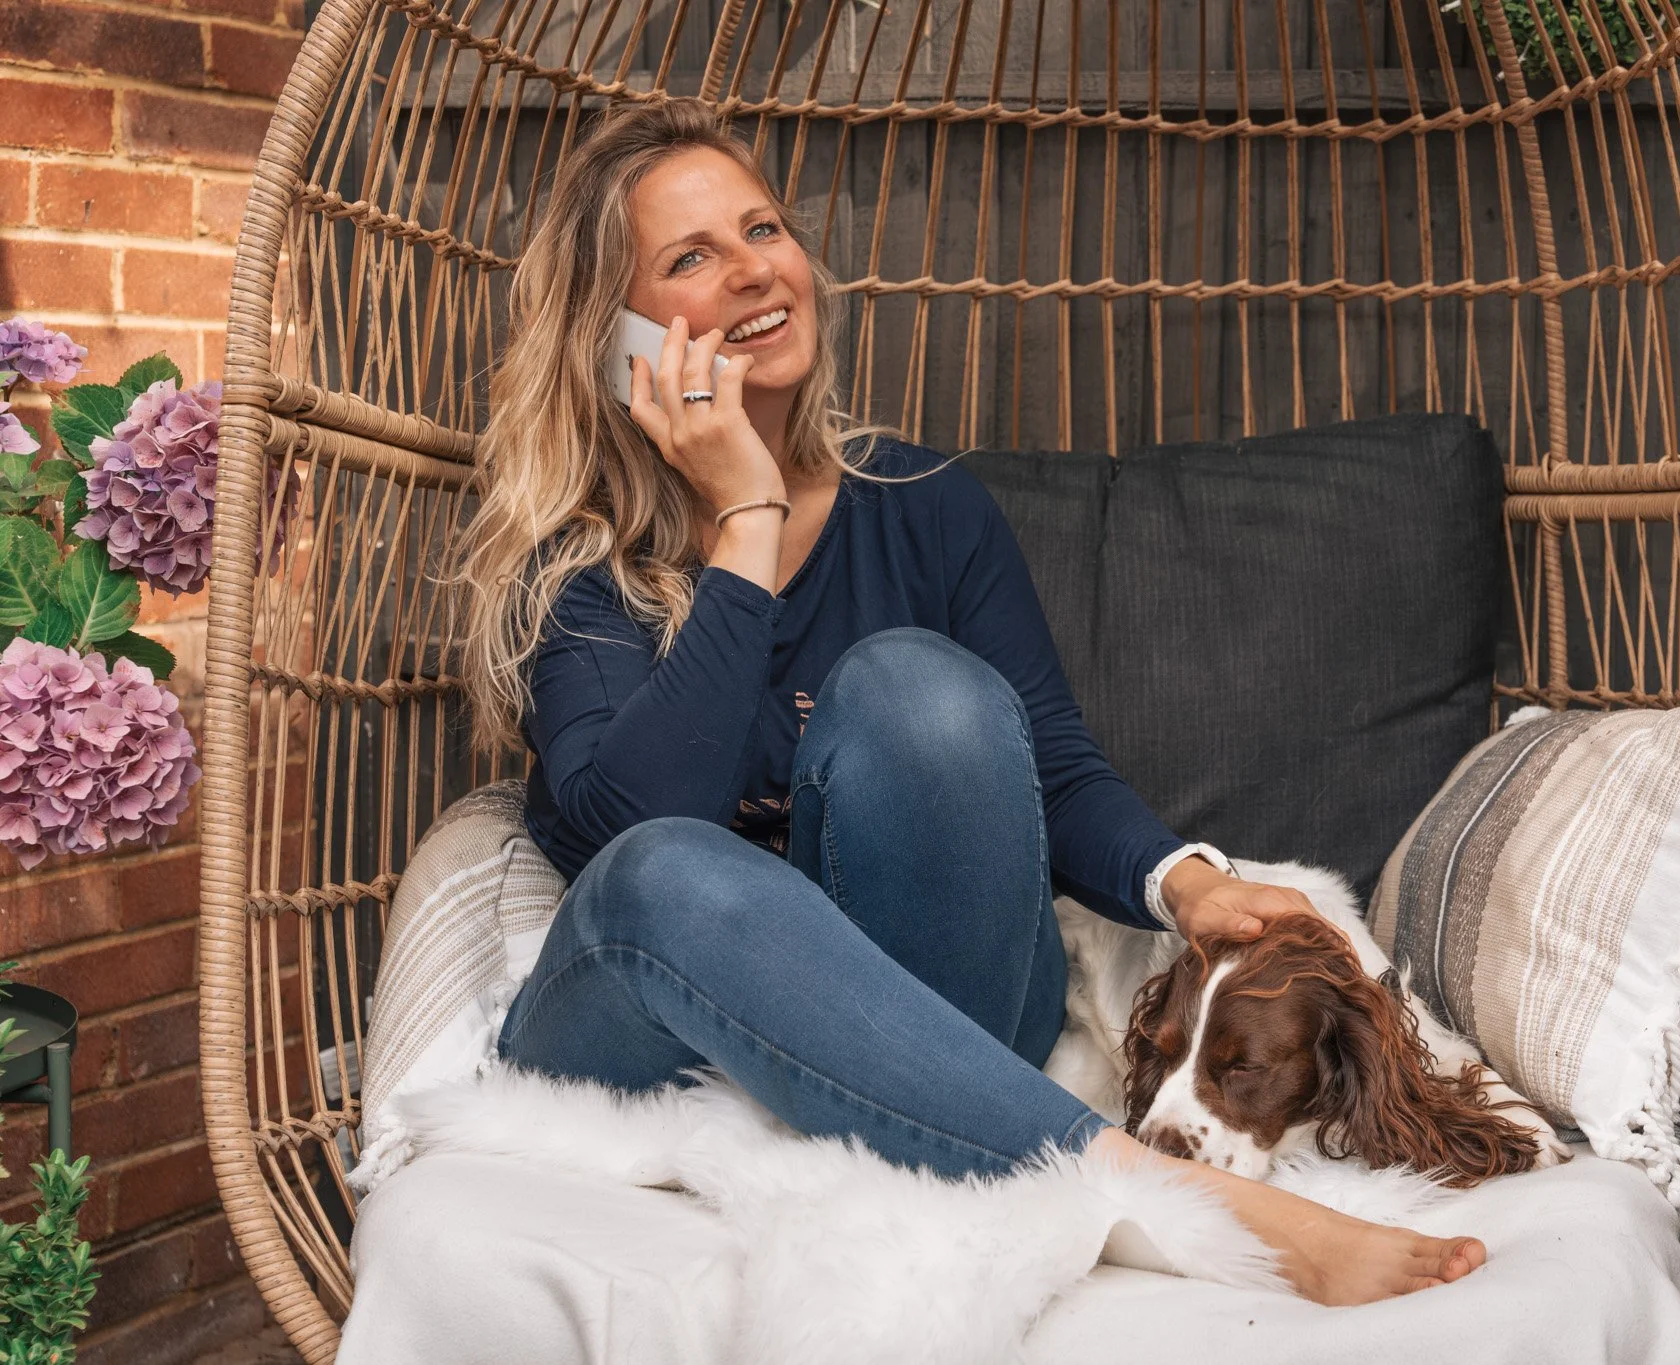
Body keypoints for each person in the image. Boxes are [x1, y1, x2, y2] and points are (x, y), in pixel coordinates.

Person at [455, 95, 1484, 1306]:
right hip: (659, 1035)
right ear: (619, 335)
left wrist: (1187, 886)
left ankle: (966, 1122)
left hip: (935, 1008)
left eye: (763, 229)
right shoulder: (577, 567)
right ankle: (1166, 1198)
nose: (753, 270)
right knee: (659, 870)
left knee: (920, 687)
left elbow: (1049, 767)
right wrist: (745, 516)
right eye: (690, 257)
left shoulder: (923, 506)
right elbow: (629, 827)